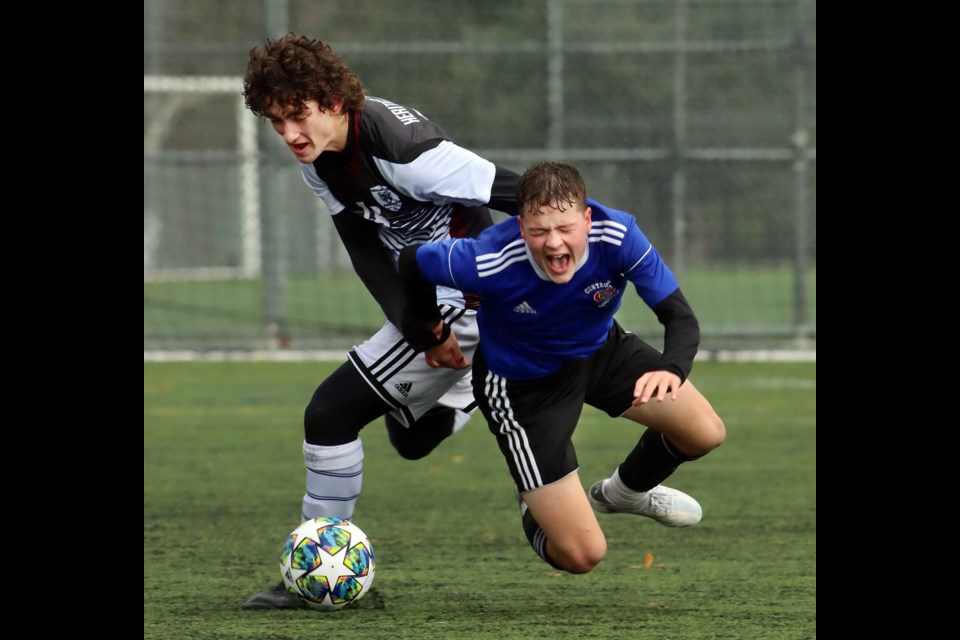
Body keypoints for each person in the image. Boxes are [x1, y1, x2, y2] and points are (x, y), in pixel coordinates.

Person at [240, 33, 520, 608]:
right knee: (410, 438)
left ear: (334, 102)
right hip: (430, 297)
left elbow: (517, 190)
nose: (290, 134)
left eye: (298, 115)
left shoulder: (405, 148)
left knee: (329, 414)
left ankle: (313, 578)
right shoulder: (321, 161)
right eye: (276, 122)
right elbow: (366, 251)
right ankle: (472, 390)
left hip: (463, 294)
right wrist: (422, 331)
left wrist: (596, 241)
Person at [398, 161, 725, 574]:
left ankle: (623, 494)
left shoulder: (620, 235)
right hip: (522, 388)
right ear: (521, 227)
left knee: (705, 432)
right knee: (582, 555)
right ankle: (530, 493)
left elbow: (679, 316)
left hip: (601, 352)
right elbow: (412, 262)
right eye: (538, 231)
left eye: (565, 228)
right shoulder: (487, 258)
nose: (554, 244)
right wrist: (429, 329)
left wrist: (672, 370)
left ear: (587, 219)